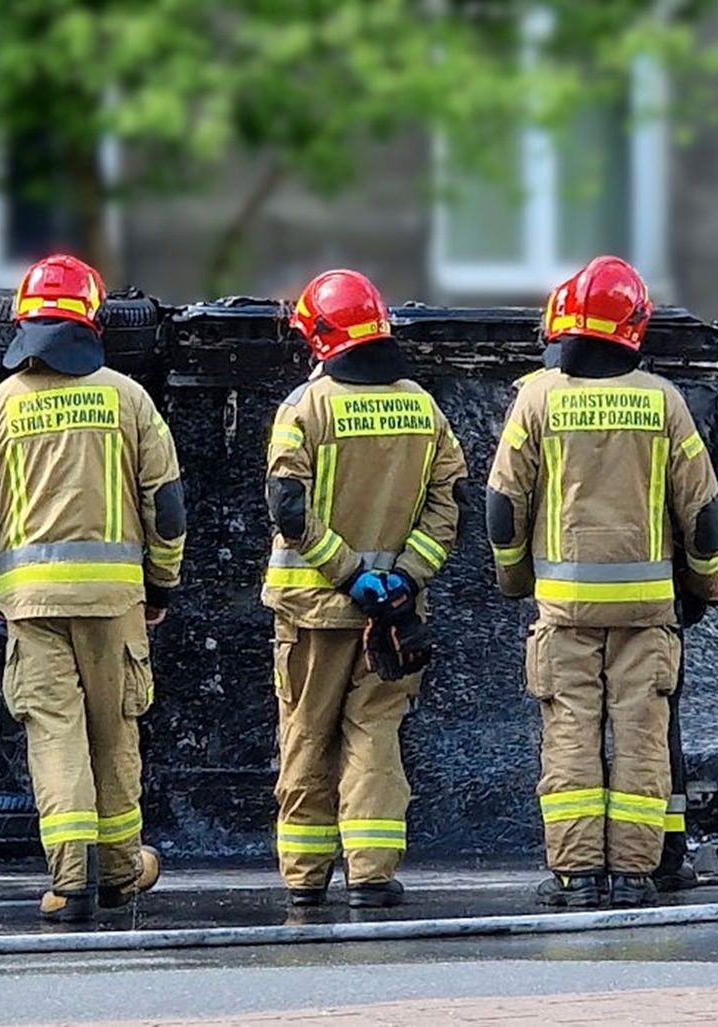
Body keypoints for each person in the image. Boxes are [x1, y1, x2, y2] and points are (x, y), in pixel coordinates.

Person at [488, 255, 718, 910]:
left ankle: (577, 875)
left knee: (571, 732)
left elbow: (503, 504)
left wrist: (515, 578)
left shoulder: (537, 397)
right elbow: (704, 514)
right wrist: (704, 586)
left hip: (564, 610)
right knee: (643, 737)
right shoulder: (663, 401)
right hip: (647, 611)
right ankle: (633, 873)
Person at [0, 254, 185, 922]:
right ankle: (119, 871)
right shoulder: (128, 398)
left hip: (29, 604)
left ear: (22, 324)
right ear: (92, 321)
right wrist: (161, 585)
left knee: (54, 734)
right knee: (114, 735)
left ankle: (71, 881)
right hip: (115, 602)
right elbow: (167, 506)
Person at [263, 268, 467, 909]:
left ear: (320, 336)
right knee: (376, 734)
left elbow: (288, 508)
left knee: (307, 733)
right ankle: (372, 875)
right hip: (394, 616)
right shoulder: (423, 408)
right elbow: (449, 505)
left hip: (314, 610)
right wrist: (404, 577)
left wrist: (350, 573)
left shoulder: (304, 408)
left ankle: (305, 878)